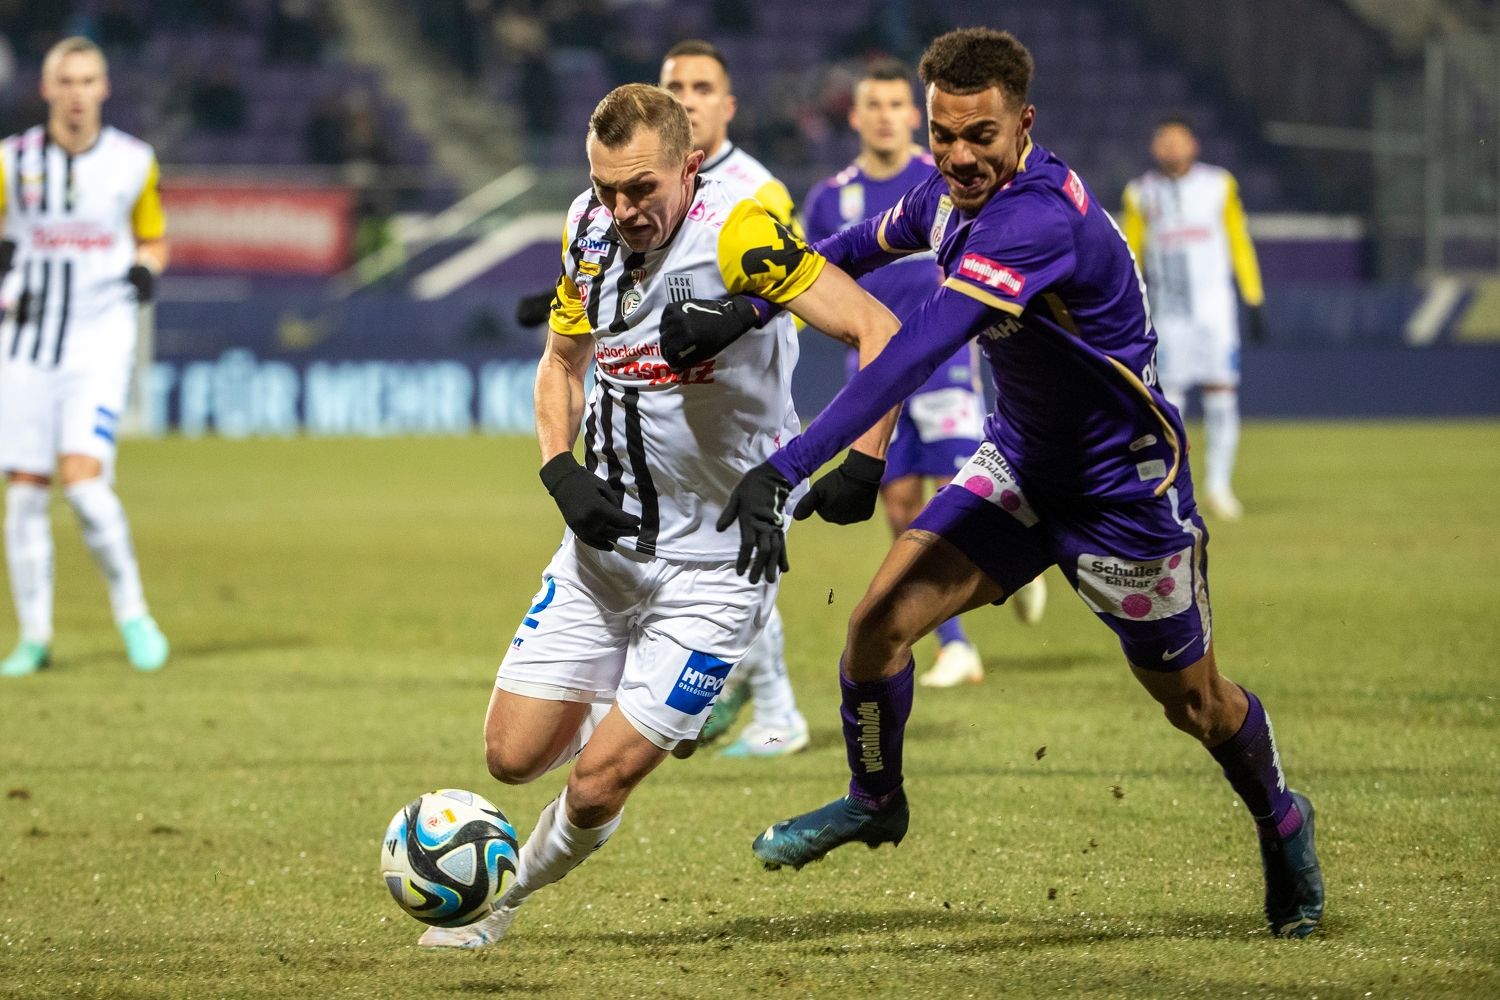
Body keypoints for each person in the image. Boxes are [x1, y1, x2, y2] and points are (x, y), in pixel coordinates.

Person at [678, 28, 1323, 939]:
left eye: (980, 136)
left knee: (1196, 705)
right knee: (875, 630)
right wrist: (744, 306)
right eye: (944, 135)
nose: (958, 156)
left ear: (1024, 124)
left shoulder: (1037, 220)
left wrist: (787, 468)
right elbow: (860, 242)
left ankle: (1281, 817)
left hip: (1121, 497)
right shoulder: (947, 195)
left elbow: (914, 352)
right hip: (1021, 465)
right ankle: (876, 800)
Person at [416, 82, 900, 950]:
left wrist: (863, 463)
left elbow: (879, 331)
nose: (622, 208)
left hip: (717, 572)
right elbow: (561, 363)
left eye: (641, 188)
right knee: (510, 758)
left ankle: (501, 904)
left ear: (690, 165)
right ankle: (636, 718)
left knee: (597, 784)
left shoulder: (742, 231)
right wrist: (558, 470)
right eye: (606, 187)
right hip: (601, 555)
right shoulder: (588, 226)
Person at [802, 58, 1046, 688]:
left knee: (959, 484)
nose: (885, 116)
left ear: (914, 114)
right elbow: (817, 278)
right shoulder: (831, 198)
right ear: (855, 116)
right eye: (872, 105)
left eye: (895, 105)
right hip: (877, 376)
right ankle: (956, 643)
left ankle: (1011, 566)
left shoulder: (942, 179)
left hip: (943, 367)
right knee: (900, 500)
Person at [0, 37, 170, 677]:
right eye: (65, 81)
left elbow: (153, 239)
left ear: (104, 88)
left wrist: (146, 271)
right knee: (23, 497)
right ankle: (35, 636)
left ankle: (133, 612)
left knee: (88, 488)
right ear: (46, 90)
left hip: (98, 342)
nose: (77, 93)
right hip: (23, 342)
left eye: (88, 80)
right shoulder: (10, 163)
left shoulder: (132, 162)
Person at [1121, 118, 1266, 521]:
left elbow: (1238, 239)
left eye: (1178, 140)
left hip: (1214, 313)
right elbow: (1131, 254)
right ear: (1154, 148)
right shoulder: (1140, 193)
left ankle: (1220, 486)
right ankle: (1174, 487)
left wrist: (1253, 296)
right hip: (1170, 317)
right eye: (1163, 140)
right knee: (1171, 406)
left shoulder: (1219, 185)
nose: (1171, 147)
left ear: (1194, 145)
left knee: (1222, 396)